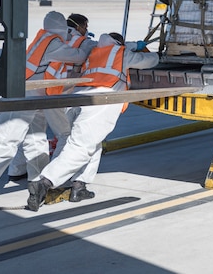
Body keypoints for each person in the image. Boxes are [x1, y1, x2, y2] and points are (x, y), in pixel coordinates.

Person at [26, 33, 159, 211]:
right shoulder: (121, 53)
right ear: (120, 44)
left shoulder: (95, 51)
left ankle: (79, 186)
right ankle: (45, 182)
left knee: (93, 143)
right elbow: (150, 61)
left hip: (77, 97)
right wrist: (150, 51)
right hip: (100, 100)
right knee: (81, 147)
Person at [0, 11, 88, 200]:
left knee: (36, 138)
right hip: (21, 96)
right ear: (61, 28)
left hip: (32, 96)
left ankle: (38, 180)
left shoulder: (43, 38)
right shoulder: (53, 43)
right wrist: (88, 44)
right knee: (7, 138)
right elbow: (78, 56)